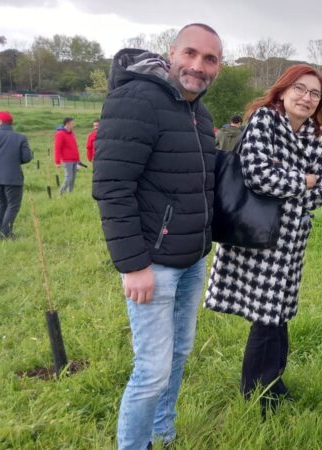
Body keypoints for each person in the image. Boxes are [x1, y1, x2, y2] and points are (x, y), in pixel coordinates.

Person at [91, 23, 223, 450]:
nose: (198, 66)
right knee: (151, 371)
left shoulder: (199, 114)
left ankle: (162, 433)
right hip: (152, 264)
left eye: (210, 59)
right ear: (172, 54)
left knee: (178, 356)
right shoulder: (137, 99)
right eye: (190, 54)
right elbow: (112, 186)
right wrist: (133, 265)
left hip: (191, 260)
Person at [204, 64, 322, 412]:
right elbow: (258, 175)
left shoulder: (318, 135)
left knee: (280, 314)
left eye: (314, 94)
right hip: (257, 235)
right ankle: (257, 393)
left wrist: (295, 181)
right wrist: (302, 179)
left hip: (291, 240)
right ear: (283, 90)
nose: (306, 98)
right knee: (266, 315)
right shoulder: (264, 120)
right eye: (300, 89)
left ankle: (273, 382)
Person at [0, 111, 32, 240]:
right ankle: (5, 233)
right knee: (13, 205)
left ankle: (1, 231)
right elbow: (27, 158)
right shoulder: (20, 137)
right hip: (13, 177)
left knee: (1, 203)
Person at [54, 117, 81, 194]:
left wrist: (78, 160)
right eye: (72, 123)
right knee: (69, 177)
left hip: (75, 160)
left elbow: (75, 147)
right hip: (67, 160)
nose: (74, 125)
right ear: (67, 124)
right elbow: (57, 148)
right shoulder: (60, 134)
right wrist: (57, 161)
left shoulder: (72, 133)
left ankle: (70, 194)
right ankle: (61, 193)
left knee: (73, 178)